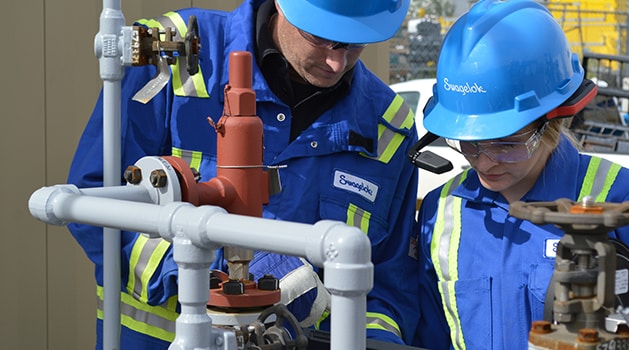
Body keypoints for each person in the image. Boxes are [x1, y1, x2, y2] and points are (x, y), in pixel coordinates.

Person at [67, 0, 420, 348]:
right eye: (321, 39)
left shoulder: (387, 127)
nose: (336, 61)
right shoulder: (174, 56)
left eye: (355, 44)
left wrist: (373, 341)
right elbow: (94, 200)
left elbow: (389, 285)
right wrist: (210, 274)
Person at [411, 0, 629, 349]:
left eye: (506, 145)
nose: (484, 162)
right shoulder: (443, 212)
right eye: (468, 144)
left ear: (553, 122)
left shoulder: (623, 201)